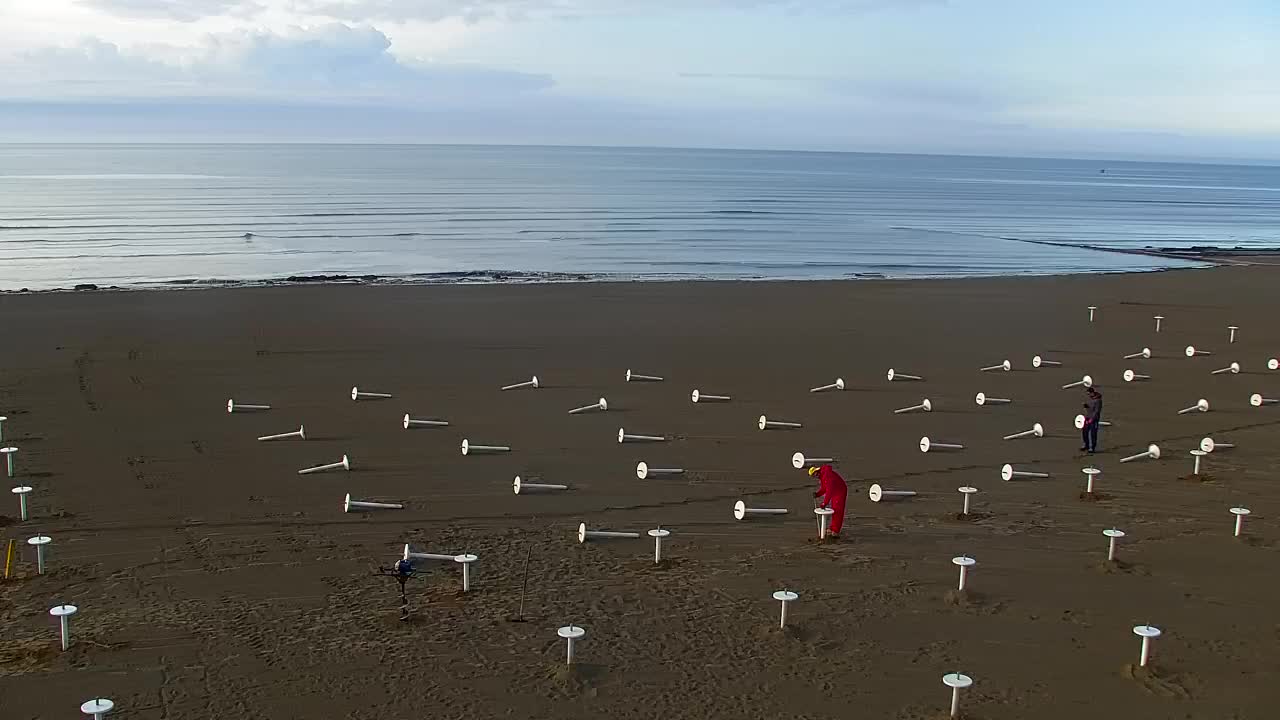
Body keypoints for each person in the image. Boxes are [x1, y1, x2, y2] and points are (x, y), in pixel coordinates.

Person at [808, 463, 848, 539]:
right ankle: (832, 528)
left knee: (838, 511)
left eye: (814, 475)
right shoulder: (822, 477)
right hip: (835, 491)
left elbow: (829, 491)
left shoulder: (827, 475)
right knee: (834, 509)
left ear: (816, 472)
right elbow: (824, 488)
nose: (815, 477)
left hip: (840, 491)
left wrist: (824, 503)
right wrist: (818, 494)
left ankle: (835, 531)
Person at [1081, 386, 1103, 453]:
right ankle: (1086, 445)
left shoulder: (1098, 400)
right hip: (1087, 417)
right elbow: (1090, 408)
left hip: (1094, 419)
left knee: (1093, 434)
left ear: (1092, 393)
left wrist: (1092, 419)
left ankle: (1092, 448)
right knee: (1084, 432)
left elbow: (1097, 411)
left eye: (1089, 393)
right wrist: (1086, 406)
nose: (1088, 395)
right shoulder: (1090, 399)